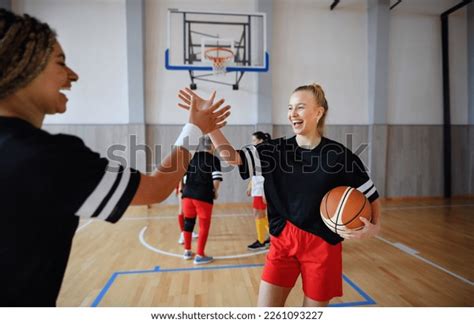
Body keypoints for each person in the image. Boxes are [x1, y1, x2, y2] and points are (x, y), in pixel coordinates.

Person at [0, 8, 230, 306]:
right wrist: (195, 127)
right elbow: (156, 188)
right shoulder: (48, 157)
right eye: (60, 62)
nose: (73, 75)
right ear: (20, 65)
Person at [178, 84, 381, 307]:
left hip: (323, 246)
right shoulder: (274, 150)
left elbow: (370, 194)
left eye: (300, 107)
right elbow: (232, 157)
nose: (292, 113)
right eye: (290, 107)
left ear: (318, 112)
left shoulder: (340, 156)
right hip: (283, 241)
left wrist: (375, 226)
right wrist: (210, 126)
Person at [181, 136, 223, 265]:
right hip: (203, 196)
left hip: (187, 195)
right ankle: (200, 255)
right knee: (203, 226)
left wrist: (184, 191)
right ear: (212, 146)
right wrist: (214, 192)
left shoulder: (192, 157)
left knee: (188, 223)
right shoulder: (214, 159)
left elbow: (184, 177)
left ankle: (187, 251)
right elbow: (216, 178)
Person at [246, 131, 271, 251]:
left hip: (261, 188)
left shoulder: (266, 154)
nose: (252, 143)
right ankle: (271, 238)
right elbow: (256, 173)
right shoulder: (257, 154)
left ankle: (263, 240)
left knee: (258, 213)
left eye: (254, 140)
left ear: (261, 141)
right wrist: (250, 185)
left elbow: (268, 175)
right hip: (257, 186)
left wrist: (266, 192)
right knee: (258, 214)